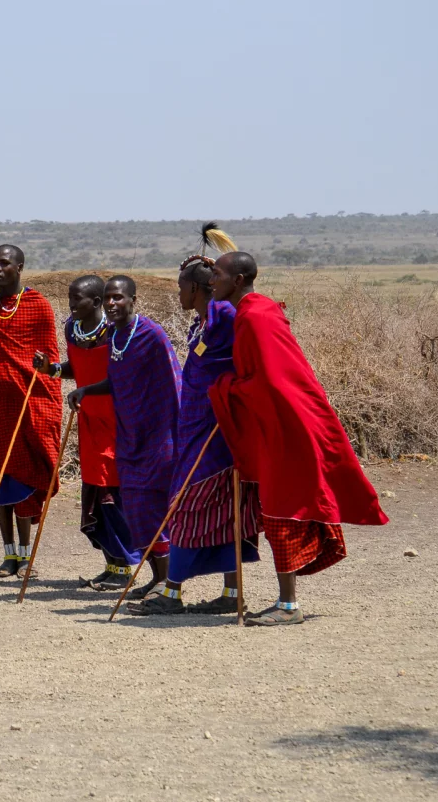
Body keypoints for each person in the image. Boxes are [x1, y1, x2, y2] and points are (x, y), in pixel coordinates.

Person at [208, 251, 389, 626]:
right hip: (281, 423)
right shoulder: (253, 312)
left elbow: (271, 382)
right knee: (277, 507)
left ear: (238, 280)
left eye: (218, 274)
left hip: (288, 426)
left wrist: (225, 389)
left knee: (280, 509)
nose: (213, 280)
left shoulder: (255, 318)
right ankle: (285, 601)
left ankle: (288, 606)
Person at [125, 250, 262, 616]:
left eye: (182, 288)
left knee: (190, 505)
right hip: (194, 427)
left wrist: (230, 399)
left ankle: (174, 593)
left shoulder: (227, 317)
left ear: (200, 288)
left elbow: (248, 362)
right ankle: (230, 594)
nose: (179, 295)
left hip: (218, 430)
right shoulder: (202, 323)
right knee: (216, 509)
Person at [67, 275, 182, 600]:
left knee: (153, 506)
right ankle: (157, 578)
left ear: (133, 299)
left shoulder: (151, 334)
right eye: (109, 299)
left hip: (155, 435)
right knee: (137, 508)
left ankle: (169, 585)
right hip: (128, 434)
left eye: (118, 297)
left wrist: (172, 431)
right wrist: (86, 389)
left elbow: (172, 383)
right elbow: (117, 382)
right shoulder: (118, 336)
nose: (112, 304)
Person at [0, 244, 61, 579]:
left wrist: (43, 402)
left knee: (23, 475)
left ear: (20, 267)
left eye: (5, 263)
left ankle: (25, 554)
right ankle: (8, 554)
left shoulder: (38, 306)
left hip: (26, 407)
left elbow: (49, 361)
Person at [33, 275, 132, 589]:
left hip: (118, 421)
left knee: (113, 492)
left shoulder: (116, 332)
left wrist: (89, 390)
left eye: (79, 299)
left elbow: (122, 376)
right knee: (94, 488)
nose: (72, 305)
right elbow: (76, 368)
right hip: (88, 419)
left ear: (98, 302)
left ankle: (127, 566)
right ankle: (113, 566)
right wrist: (51, 370)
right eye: (70, 298)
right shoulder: (71, 329)